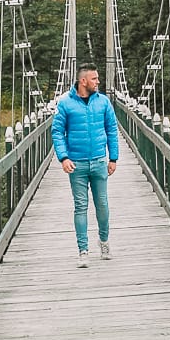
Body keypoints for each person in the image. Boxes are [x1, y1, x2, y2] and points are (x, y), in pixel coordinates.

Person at [52, 66, 120, 266]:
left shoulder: (104, 102)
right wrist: (63, 158)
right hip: (77, 164)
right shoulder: (65, 104)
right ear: (83, 81)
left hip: (99, 161)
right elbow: (57, 132)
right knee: (80, 207)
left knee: (103, 205)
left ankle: (104, 241)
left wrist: (113, 158)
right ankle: (83, 250)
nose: (98, 82)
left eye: (98, 78)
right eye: (94, 79)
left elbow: (112, 130)